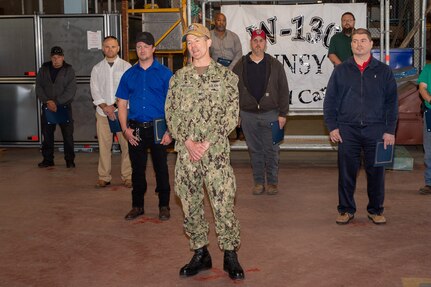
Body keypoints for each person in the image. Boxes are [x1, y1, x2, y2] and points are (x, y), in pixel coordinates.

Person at [165, 23, 244, 280]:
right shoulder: (178, 78)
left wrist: (206, 142)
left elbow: (231, 115)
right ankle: (200, 253)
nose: (194, 46)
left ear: (209, 42)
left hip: (216, 154)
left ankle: (230, 254)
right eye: (189, 42)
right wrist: (188, 142)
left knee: (223, 203)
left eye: (198, 40)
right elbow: (171, 113)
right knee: (190, 203)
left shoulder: (226, 78)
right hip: (187, 155)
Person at [323, 28, 398, 225]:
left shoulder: (383, 71)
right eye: (355, 41)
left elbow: (392, 103)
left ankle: (375, 210)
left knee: (376, 174)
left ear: (371, 44)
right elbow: (330, 101)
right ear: (351, 45)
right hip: (348, 130)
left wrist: (390, 130)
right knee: (346, 173)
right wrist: (332, 126)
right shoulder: (341, 71)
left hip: (377, 131)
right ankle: (346, 210)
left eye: (363, 40)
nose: (359, 44)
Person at [116, 32, 173, 221]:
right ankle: (137, 205)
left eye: (146, 46)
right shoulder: (129, 75)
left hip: (159, 128)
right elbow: (121, 104)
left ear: (153, 49)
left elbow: (173, 105)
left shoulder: (165, 74)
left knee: (161, 168)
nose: (142, 49)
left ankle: (164, 205)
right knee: (137, 169)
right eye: (139, 46)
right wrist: (125, 129)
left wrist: (170, 131)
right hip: (136, 129)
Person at [232, 29, 289, 196]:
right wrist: (236, 114)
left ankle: (272, 183)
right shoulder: (241, 65)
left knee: (273, 150)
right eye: (255, 40)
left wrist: (283, 114)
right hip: (247, 115)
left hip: (272, 113)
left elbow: (284, 90)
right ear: (251, 43)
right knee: (255, 150)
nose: (258, 43)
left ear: (265, 44)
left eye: (261, 41)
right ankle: (258, 182)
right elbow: (233, 91)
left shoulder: (275, 65)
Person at [90, 36, 132, 188]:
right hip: (103, 114)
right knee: (104, 146)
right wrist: (105, 107)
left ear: (118, 48)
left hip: (122, 112)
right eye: (107, 47)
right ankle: (104, 176)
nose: (110, 49)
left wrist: (114, 106)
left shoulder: (126, 67)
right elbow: (94, 90)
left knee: (126, 146)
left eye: (113, 46)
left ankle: (127, 176)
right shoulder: (96, 69)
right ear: (102, 48)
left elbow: (128, 90)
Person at [36, 46, 77, 168]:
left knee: (68, 136)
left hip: (64, 107)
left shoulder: (68, 70)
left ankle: (69, 160)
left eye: (58, 57)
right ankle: (48, 159)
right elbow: (39, 86)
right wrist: (48, 101)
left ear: (63, 57)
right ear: (51, 57)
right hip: (48, 107)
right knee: (47, 135)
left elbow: (71, 90)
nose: (56, 60)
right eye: (53, 57)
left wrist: (56, 102)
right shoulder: (44, 69)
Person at [417, 64, 431, 195]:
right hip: (430, 113)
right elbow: (422, 89)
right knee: (430, 151)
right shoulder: (428, 69)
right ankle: (429, 183)